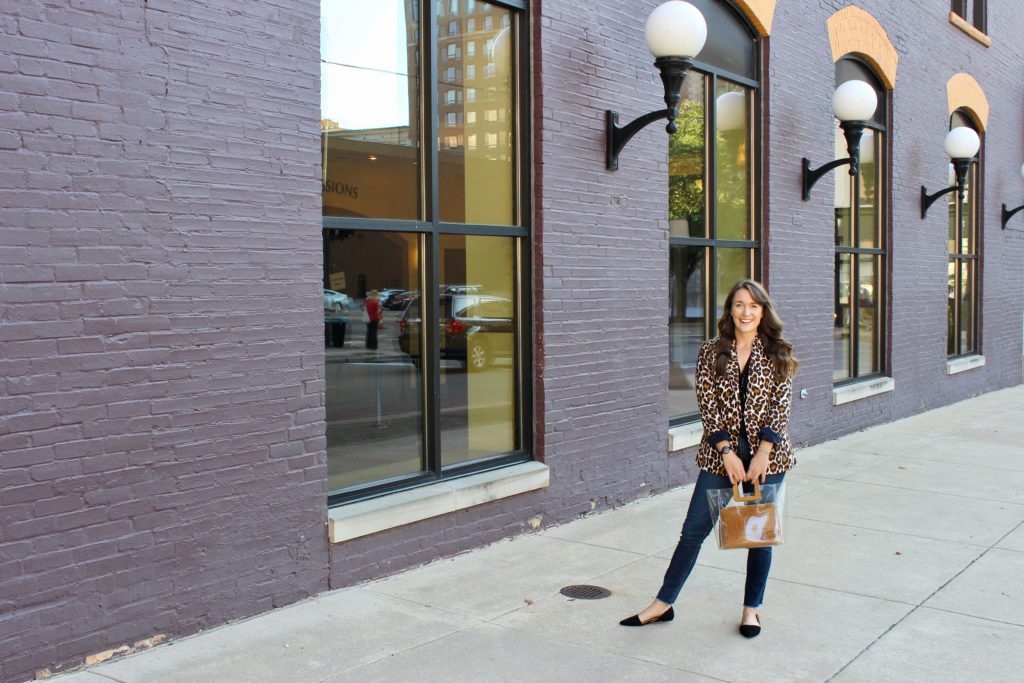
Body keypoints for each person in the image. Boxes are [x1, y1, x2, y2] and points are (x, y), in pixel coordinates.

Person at [620, 279, 799, 638]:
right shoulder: (711, 351)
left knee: (759, 537)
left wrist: (763, 452)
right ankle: (663, 603)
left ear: (763, 310)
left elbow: (781, 407)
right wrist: (728, 453)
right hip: (721, 456)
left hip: (769, 458)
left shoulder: (779, 351)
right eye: (738, 305)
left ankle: (752, 610)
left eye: (752, 305)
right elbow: (708, 407)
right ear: (729, 310)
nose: (745, 312)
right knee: (692, 532)